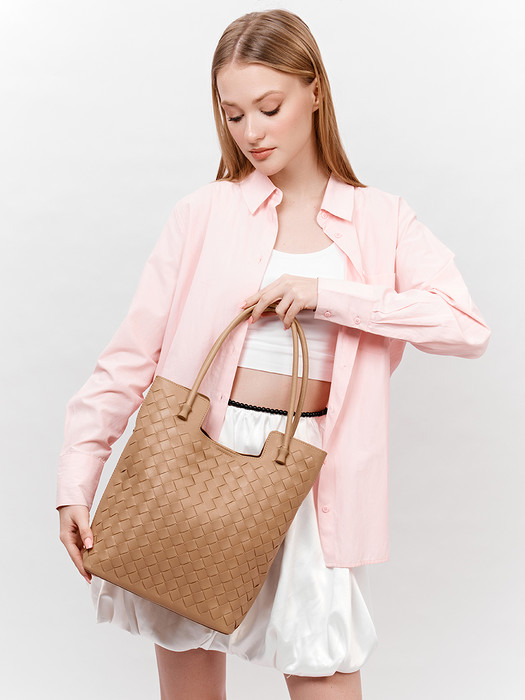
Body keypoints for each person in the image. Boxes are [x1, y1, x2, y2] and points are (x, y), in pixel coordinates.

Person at [56, 9, 491, 700]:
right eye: (232, 115)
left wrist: (328, 295)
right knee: (189, 666)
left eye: (268, 107)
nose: (251, 132)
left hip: (312, 473)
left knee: (324, 665)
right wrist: (77, 479)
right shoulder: (204, 213)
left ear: (314, 92)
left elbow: (465, 328)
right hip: (194, 464)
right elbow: (129, 359)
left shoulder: (381, 219)